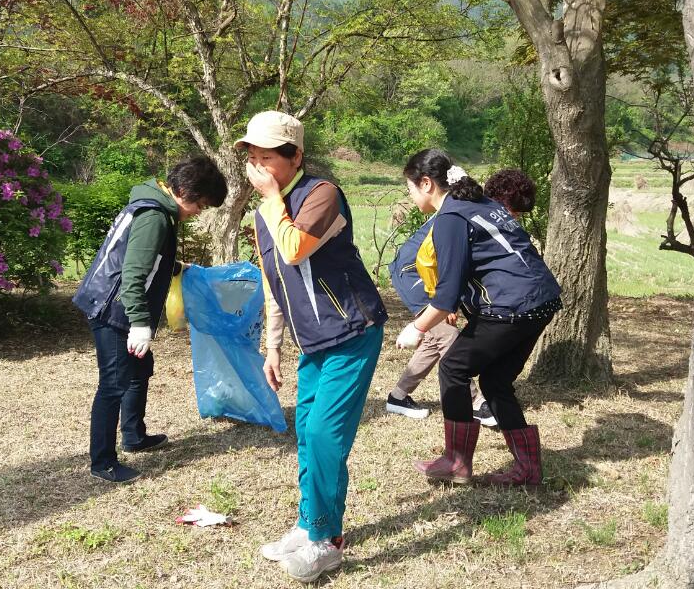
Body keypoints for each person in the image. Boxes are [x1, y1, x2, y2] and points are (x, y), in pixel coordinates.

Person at [238, 110, 388, 583]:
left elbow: (294, 249)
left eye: (267, 157)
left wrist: (270, 199)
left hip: (351, 332)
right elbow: (273, 281)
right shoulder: (266, 212)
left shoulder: (321, 194)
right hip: (312, 342)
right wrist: (273, 347)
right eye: (253, 157)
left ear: (295, 157)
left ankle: (325, 541)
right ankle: (310, 525)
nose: (258, 166)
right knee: (306, 430)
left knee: (325, 434)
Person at [397, 149, 562, 486]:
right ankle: (528, 469)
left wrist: (417, 327)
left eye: (410, 188)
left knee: (453, 367)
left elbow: (446, 294)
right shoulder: (478, 203)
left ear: (426, 183)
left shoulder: (450, 217)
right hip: (541, 299)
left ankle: (457, 462)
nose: (411, 196)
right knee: (495, 381)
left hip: (512, 306)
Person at [72, 156, 228, 484]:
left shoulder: (156, 205)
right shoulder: (155, 216)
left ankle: (134, 435)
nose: (199, 212)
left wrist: (178, 268)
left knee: (140, 368)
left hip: (116, 303)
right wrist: (140, 324)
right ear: (184, 191)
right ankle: (103, 462)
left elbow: (145, 256)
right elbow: (132, 274)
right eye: (200, 204)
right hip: (113, 308)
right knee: (113, 383)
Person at [384, 214, 492, 426]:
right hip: (414, 270)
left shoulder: (477, 213)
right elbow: (436, 259)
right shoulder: (463, 213)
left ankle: (398, 396)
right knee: (448, 334)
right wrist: (443, 300)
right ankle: (474, 402)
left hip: (428, 271)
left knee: (434, 338)